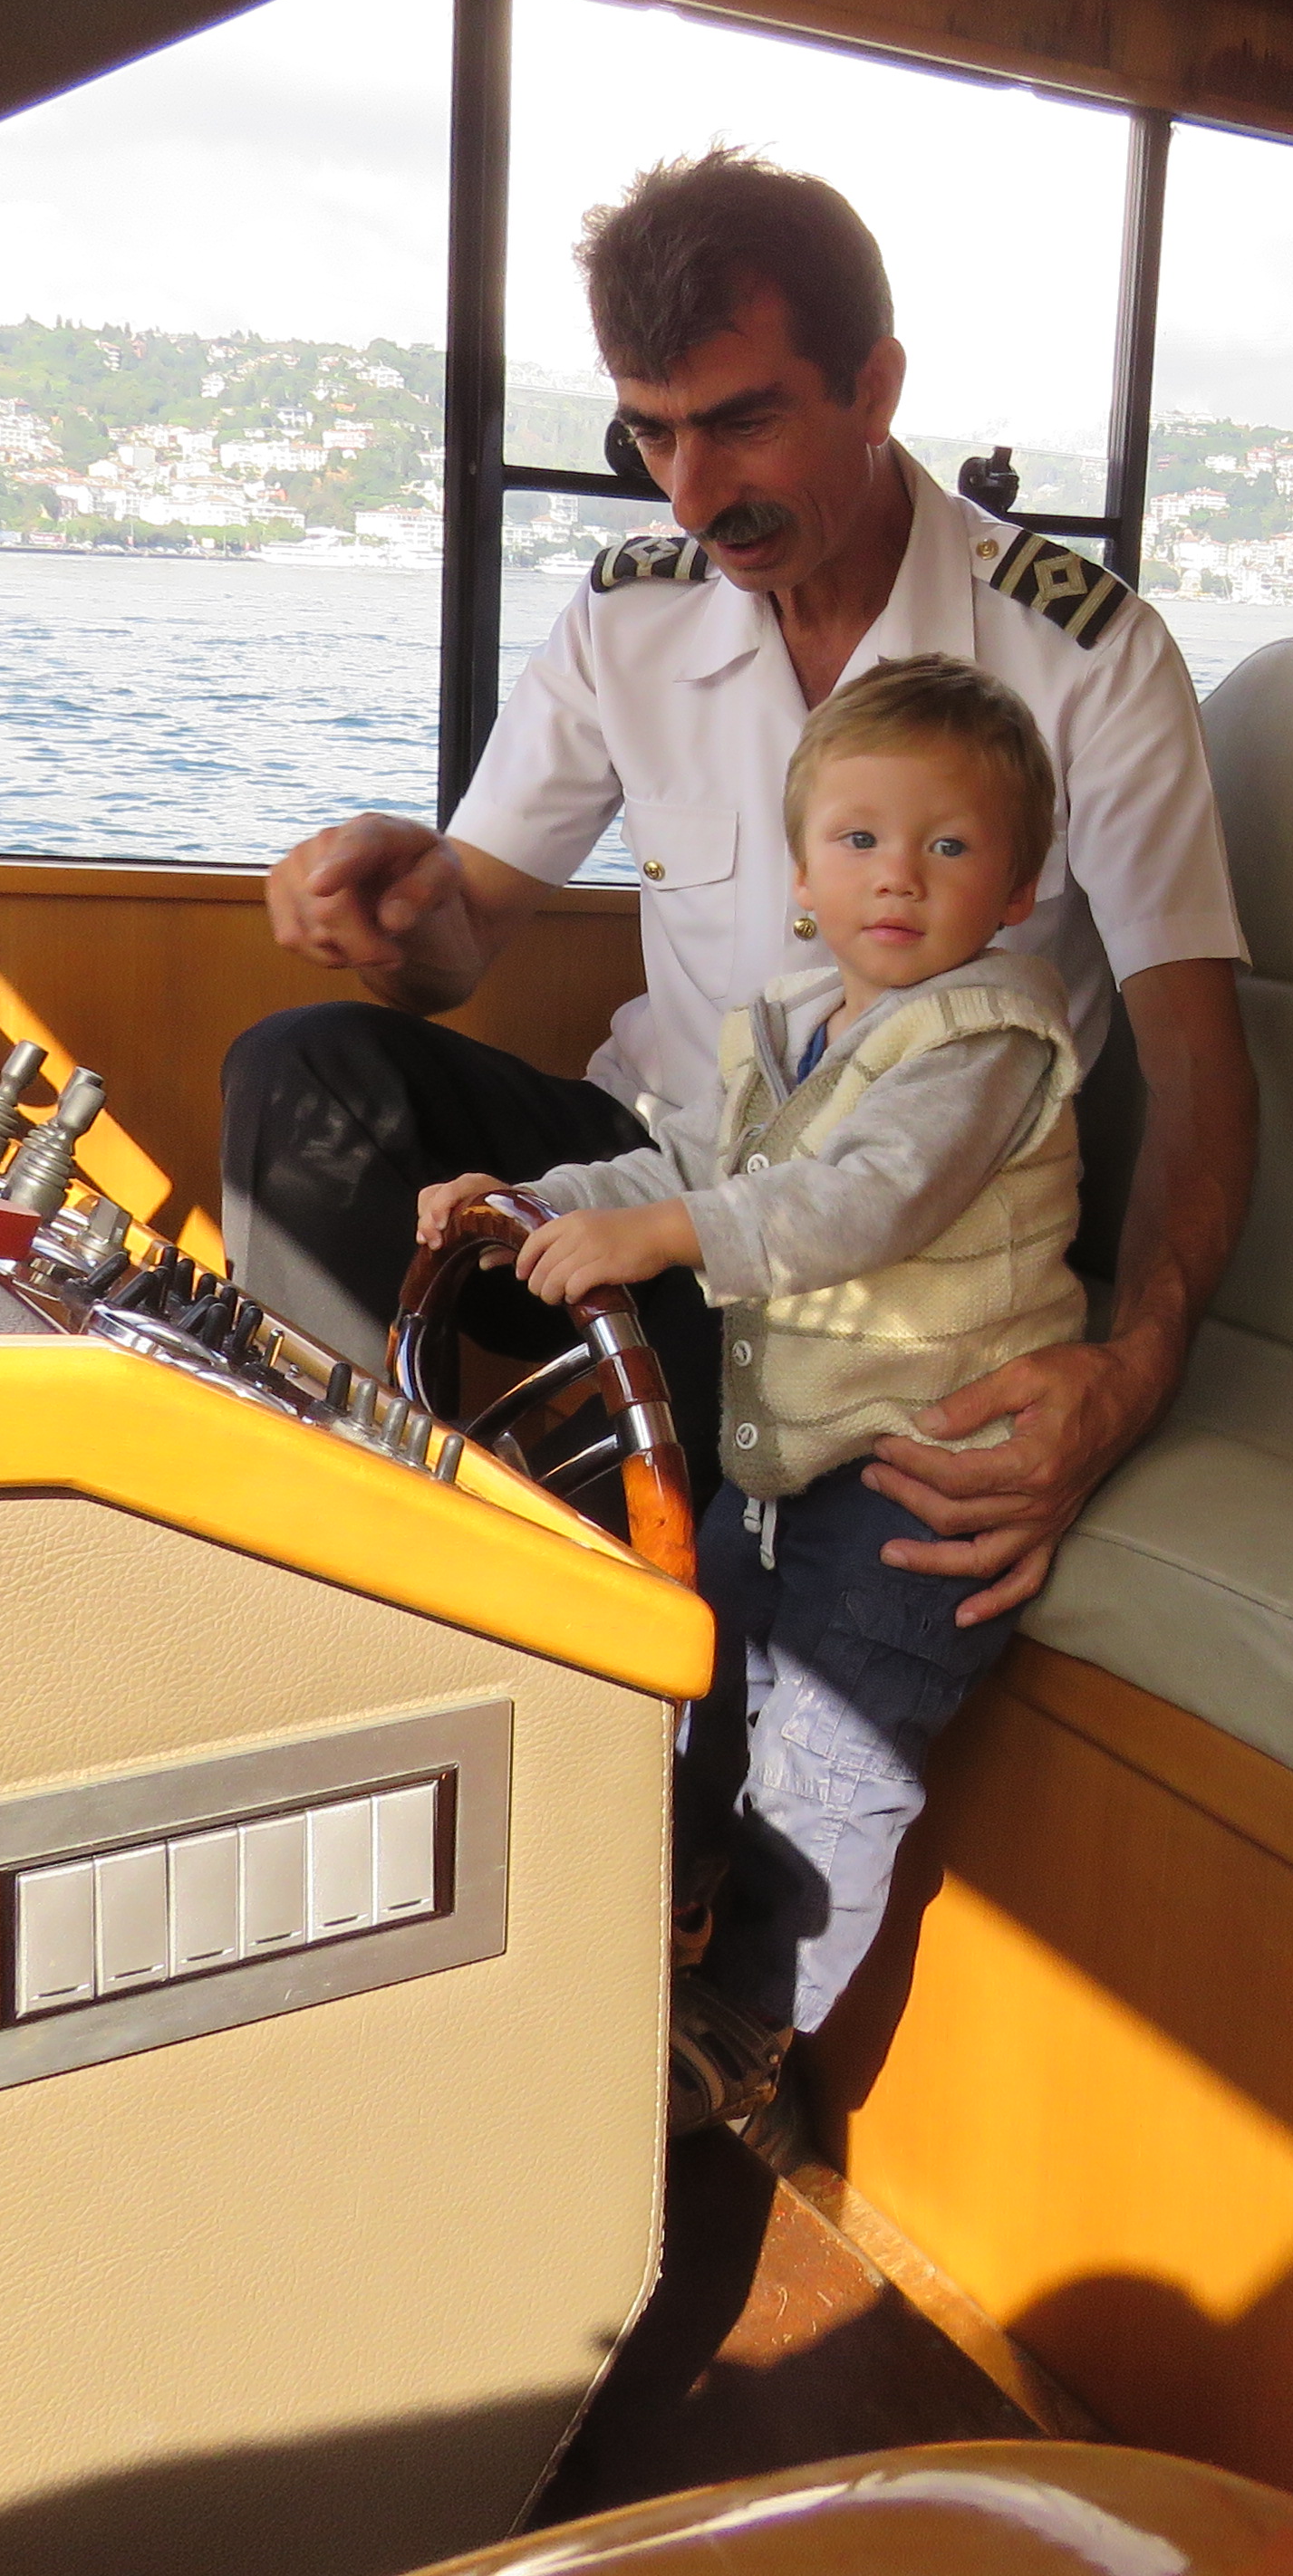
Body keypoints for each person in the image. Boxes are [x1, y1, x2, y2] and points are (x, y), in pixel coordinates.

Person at [227, 147, 1254, 1633]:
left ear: (873, 387)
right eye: (651, 434)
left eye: (742, 424)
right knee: (305, 1072)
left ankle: (516, 1635)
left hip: (889, 1251)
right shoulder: (630, 616)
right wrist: (391, 915)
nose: (695, 492)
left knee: (651, 1528)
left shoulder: (1084, 655)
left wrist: (1133, 1375)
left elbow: (1199, 1061)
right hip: (651, 1169)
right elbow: (460, 945)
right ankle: (329, 1548)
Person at [428, 656, 1086, 2130]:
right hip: (787, 1460)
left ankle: (739, 2032)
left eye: (950, 846)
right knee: (691, 1687)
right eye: (860, 839)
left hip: (923, 1477)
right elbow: (686, 1163)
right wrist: (535, 1202)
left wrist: (663, 1236)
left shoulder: (985, 1036)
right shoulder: (790, 1025)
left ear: (1020, 890)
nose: (899, 876)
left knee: (830, 1771)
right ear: (801, 875)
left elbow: (864, 1201)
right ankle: (636, 1943)